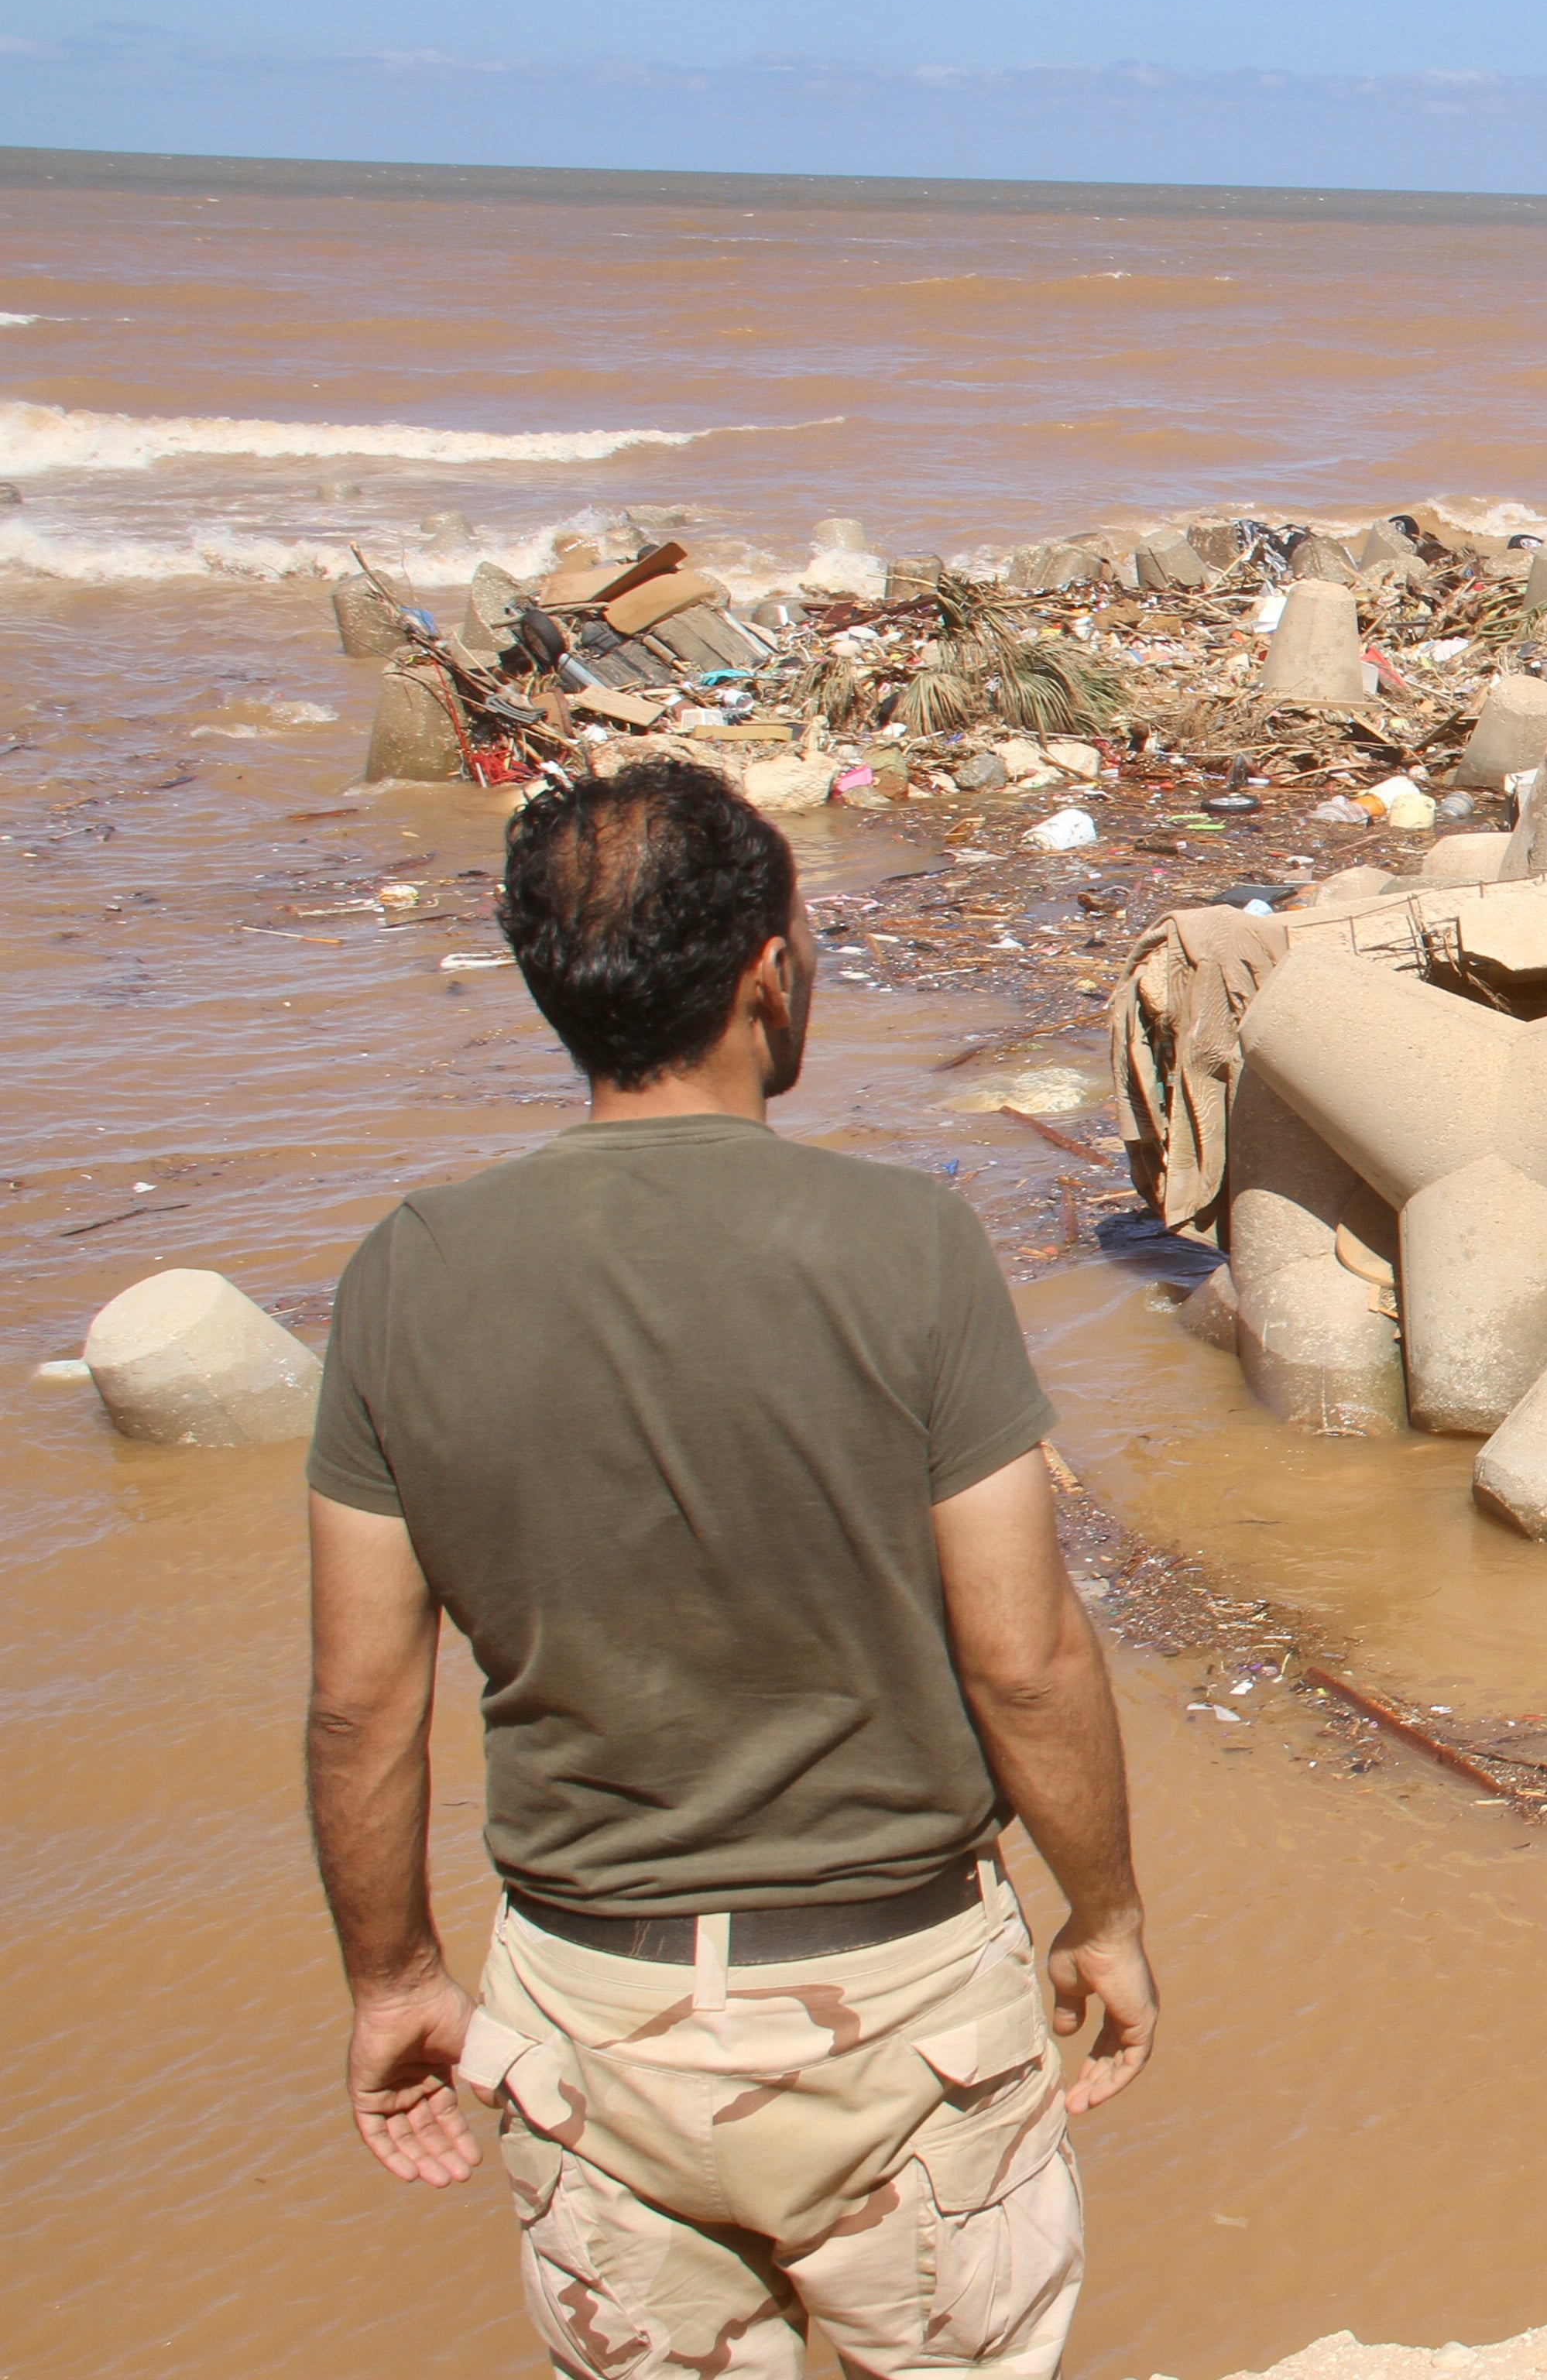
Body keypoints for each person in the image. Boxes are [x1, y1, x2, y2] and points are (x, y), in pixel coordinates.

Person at [305, 760, 1157, 2380]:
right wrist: (1104, 1915)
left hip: (588, 2010)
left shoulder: (405, 1274)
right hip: (899, 2006)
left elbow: (361, 1708)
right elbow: (1026, 1655)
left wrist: (395, 1973)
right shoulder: (907, 1247)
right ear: (771, 974)